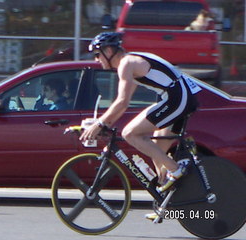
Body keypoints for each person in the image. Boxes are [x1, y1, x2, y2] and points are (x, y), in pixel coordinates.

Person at [80, 32, 201, 196]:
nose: (96, 59)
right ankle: (168, 198)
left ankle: (177, 169)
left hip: (177, 98)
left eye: (97, 54)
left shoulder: (126, 63)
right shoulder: (131, 62)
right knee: (157, 151)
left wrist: (100, 123)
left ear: (108, 51)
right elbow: (124, 103)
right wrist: (104, 122)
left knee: (129, 133)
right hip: (178, 97)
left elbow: (122, 102)